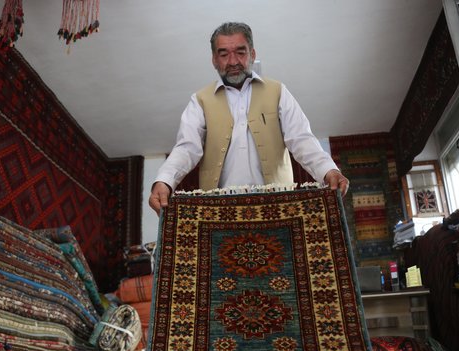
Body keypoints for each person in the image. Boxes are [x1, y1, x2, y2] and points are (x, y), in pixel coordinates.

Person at [149, 22, 349, 213]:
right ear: (214, 60)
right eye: (224, 54)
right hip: (219, 212)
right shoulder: (200, 100)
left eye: (240, 52)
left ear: (252, 54)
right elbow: (187, 148)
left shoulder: (278, 91)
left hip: (278, 205)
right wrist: (164, 180)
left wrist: (328, 171)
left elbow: (301, 139)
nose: (233, 61)